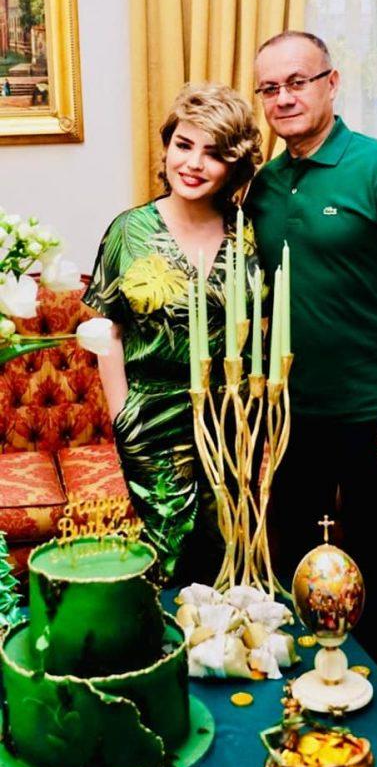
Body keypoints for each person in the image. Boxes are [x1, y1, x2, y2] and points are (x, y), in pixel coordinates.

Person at [246, 30, 377, 671]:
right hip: (289, 416)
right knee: (294, 561)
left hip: (370, 413)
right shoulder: (264, 186)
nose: (284, 98)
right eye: (270, 88)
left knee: (372, 566)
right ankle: (305, 682)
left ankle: (367, 691)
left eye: (298, 82)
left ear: (332, 82)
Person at [84, 82, 262, 583]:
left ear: (233, 165)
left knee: (229, 553)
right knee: (168, 558)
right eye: (184, 145)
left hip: (232, 421)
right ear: (167, 148)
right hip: (153, 420)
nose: (193, 163)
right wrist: (123, 415)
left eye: (214, 153)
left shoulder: (248, 232)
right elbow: (106, 329)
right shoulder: (129, 231)